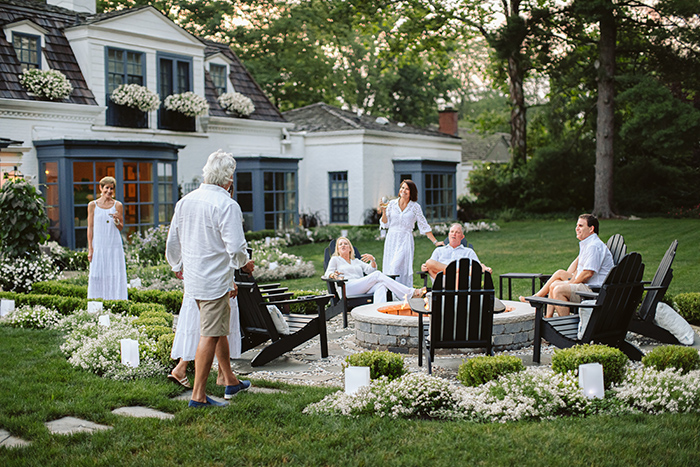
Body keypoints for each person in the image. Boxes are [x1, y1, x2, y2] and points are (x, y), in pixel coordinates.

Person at [166, 150, 254, 408]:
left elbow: (172, 241)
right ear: (228, 178)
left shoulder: (185, 201)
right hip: (215, 282)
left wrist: (177, 265)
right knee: (210, 334)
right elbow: (236, 248)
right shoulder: (227, 204)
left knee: (218, 330)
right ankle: (198, 396)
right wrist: (244, 263)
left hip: (193, 281)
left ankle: (230, 381)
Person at [520, 213, 614, 318]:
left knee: (558, 289)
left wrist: (570, 283)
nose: (576, 228)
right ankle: (548, 317)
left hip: (595, 290)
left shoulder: (593, 246)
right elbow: (573, 271)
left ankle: (564, 322)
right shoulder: (588, 244)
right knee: (555, 283)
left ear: (591, 229)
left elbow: (587, 274)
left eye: (581, 226)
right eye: (577, 225)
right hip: (588, 286)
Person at [167, 293, 243, 389]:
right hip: (214, 287)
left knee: (196, 322)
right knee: (219, 324)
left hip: (196, 286)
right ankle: (222, 377)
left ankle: (181, 368)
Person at [379, 179, 442, 289]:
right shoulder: (392, 204)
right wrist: (384, 211)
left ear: (411, 192)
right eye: (402, 187)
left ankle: (402, 293)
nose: (404, 190)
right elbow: (385, 223)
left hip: (405, 240)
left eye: (407, 189)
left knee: (397, 267)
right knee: (390, 268)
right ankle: (391, 295)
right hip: (391, 239)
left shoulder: (415, 207)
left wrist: (435, 242)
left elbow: (424, 225)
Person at [324, 237, 425, 303]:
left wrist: (372, 261)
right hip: (347, 288)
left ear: (350, 248)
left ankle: (377, 312)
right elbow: (327, 273)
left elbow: (369, 271)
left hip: (359, 287)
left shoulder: (356, 261)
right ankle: (410, 293)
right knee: (377, 275)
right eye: (340, 244)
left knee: (381, 285)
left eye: (345, 244)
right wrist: (334, 275)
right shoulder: (335, 259)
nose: (343, 245)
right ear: (337, 249)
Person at [87, 176, 128, 300]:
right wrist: (90, 248)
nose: (109, 191)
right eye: (107, 188)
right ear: (100, 188)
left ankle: (116, 300)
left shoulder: (118, 205)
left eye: (111, 188)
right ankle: (97, 302)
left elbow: (121, 227)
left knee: (114, 273)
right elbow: (90, 227)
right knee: (97, 274)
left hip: (113, 244)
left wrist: (116, 221)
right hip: (99, 244)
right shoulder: (92, 205)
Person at [421, 223, 492, 280]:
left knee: (470, 268)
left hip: (461, 280)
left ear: (462, 237)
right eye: (452, 232)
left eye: (457, 232)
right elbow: (430, 265)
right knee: (429, 262)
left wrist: (485, 268)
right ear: (449, 235)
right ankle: (457, 270)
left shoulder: (468, 252)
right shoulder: (439, 250)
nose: (454, 234)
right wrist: (424, 266)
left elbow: (478, 265)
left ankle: (456, 273)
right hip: (442, 281)